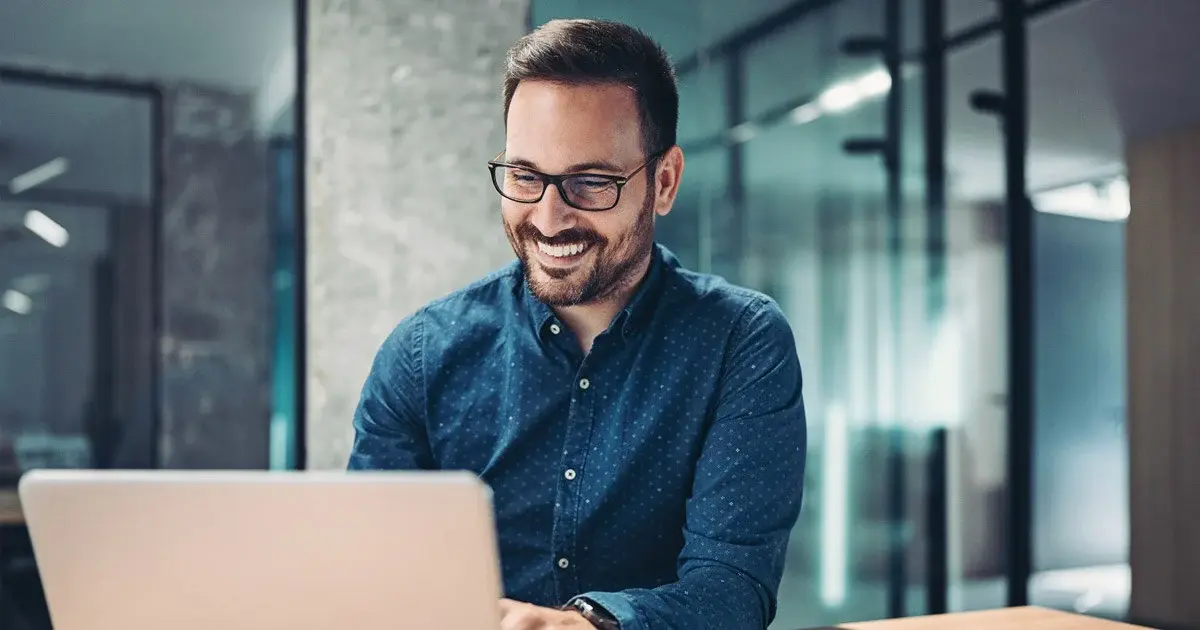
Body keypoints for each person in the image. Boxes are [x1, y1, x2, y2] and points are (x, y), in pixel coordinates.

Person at [348, 18, 807, 630]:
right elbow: (367, 575)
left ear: (663, 182)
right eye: (524, 176)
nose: (549, 216)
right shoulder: (421, 353)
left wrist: (588, 626)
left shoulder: (739, 341)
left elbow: (732, 590)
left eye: (591, 182)